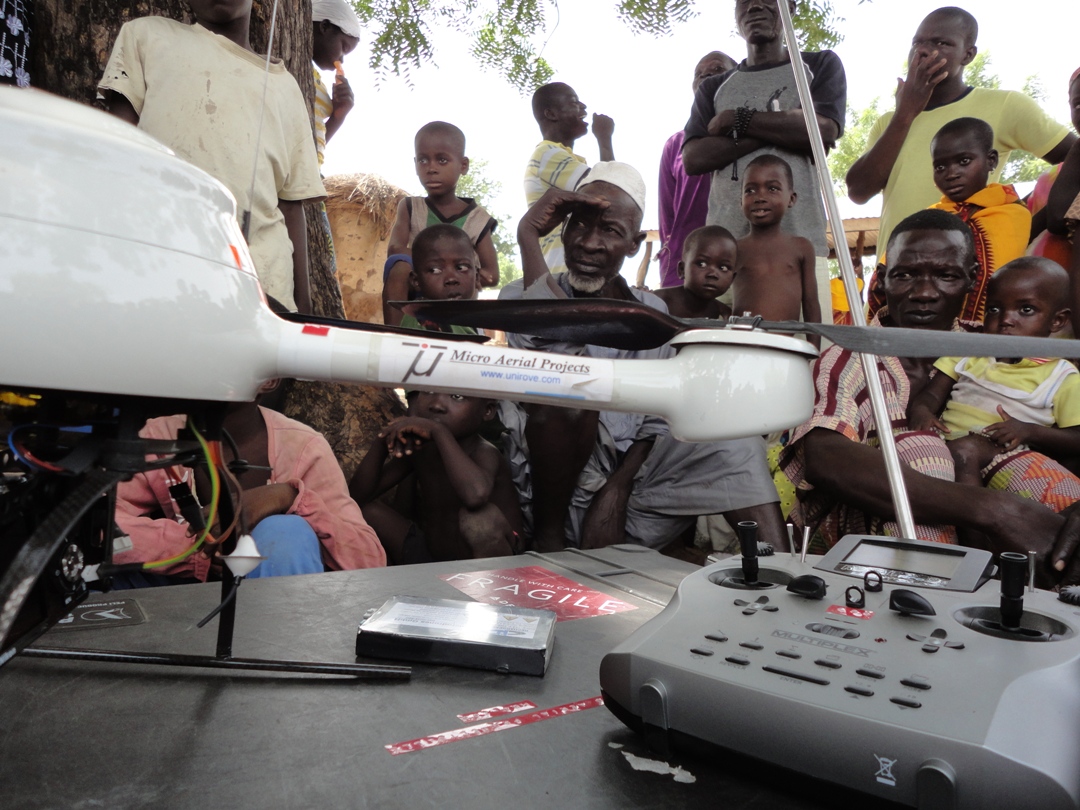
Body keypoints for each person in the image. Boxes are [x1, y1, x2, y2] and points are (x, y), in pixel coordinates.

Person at [780, 208, 1080, 586]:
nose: (924, 293)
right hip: (868, 532)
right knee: (922, 450)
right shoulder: (849, 357)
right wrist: (995, 511)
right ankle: (936, 600)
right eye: (905, 275)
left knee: (1031, 472)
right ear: (883, 279)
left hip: (1008, 521)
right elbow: (827, 459)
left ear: (973, 279)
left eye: (946, 275)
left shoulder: (1003, 344)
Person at [501, 161, 788, 553]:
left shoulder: (649, 311)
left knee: (737, 442)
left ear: (634, 245)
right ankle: (549, 542)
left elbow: (656, 419)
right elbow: (555, 363)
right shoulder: (520, 297)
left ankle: (782, 572)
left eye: (610, 231)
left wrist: (617, 489)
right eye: (580, 225)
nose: (589, 242)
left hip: (631, 489)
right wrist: (528, 235)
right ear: (563, 229)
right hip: (550, 494)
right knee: (568, 396)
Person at [98, 0, 325, 314]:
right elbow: (118, 153)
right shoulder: (146, 36)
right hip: (157, 270)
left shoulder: (286, 87)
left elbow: (291, 202)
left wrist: (304, 306)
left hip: (264, 290)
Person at [846, 7, 1075, 272]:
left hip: (967, 281)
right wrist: (905, 113)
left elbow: (1073, 157)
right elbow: (858, 192)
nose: (923, 51)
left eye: (940, 43)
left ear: (968, 54)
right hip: (898, 279)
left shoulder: (1006, 105)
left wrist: (1020, 213)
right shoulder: (890, 122)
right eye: (917, 43)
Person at [114, 381, 386, 585]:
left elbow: (368, 559)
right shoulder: (157, 436)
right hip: (188, 594)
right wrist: (200, 550)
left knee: (285, 531)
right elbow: (101, 525)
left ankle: (270, 659)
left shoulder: (304, 446)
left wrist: (288, 496)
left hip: (283, 610)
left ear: (268, 381)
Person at [682, 0, 843, 326]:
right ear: (736, 15)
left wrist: (736, 120)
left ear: (791, 7)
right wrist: (781, 127)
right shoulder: (714, 86)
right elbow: (695, 158)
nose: (755, 4)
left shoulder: (818, 65)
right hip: (723, 259)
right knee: (725, 366)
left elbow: (823, 129)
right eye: (745, 0)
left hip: (800, 254)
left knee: (805, 362)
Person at [907, 257, 1080, 512]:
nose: (1006, 320)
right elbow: (931, 395)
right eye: (994, 309)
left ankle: (974, 545)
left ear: (1057, 321)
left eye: (1026, 310)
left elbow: (1076, 438)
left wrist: (1028, 431)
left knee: (965, 451)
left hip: (1009, 453)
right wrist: (921, 411)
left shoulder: (1062, 377)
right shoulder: (969, 351)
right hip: (948, 443)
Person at [350, 390, 522, 563]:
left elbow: (475, 496)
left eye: (457, 396)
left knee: (479, 521)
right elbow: (358, 497)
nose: (436, 405)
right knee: (366, 511)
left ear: (487, 411)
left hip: (488, 562)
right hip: (432, 557)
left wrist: (438, 431)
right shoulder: (423, 450)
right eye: (429, 392)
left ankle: (490, 588)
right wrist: (382, 441)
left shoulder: (484, 451)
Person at [383, 121, 498, 326]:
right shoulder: (410, 207)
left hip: (456, 303)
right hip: (418, 295)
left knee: (461, 275)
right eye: (423, 160)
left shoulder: (477, 219)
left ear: (463, 166)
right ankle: (394, 335)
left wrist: (462, 271)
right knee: (399, 267)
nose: (431, 169)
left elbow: (492, 275)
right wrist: (433, 267)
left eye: (442, 160)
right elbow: (394, 249)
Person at [923, 117, 1031, 322]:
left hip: (993, 334)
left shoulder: (1012, 214)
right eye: (940, 167)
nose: (951, 174)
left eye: (964, 161)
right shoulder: (928, 218)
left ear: (991, 160)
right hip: (928, 329)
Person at [657, 51, 739, 289]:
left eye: (716, 71)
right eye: (699, 74)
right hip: (688, 268)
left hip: (743, 262)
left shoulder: (755, 131)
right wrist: (670, 262)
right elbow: (667, 217)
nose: (705, 78)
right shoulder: (676, 145)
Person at [524, 82, 615, 275]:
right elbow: (608, 193)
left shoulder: (567, 159)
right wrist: (604, 140)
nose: (583, 107)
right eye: (574, 102)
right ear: (551, 114)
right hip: (561, 272)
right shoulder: (547, 154)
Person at [732, 154, 820, 346]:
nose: (760, 197)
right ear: (740, 201)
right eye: (750, 190)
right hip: (741, 346)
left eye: (772, 188)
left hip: (786, 349)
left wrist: (814, 354)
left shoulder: (801, 247)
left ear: (791, 198)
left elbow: (811, 304)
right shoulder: (734, 248)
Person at [397, 224, 483, 334]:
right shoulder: (424, 319)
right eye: (435, 270)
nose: (451, 279)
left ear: (477, 276)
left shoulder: (469, 319)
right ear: (416, 281)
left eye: (461, 268)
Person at [311, 0, 361, 166]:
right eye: (344, 47)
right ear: (325, 27)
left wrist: (338, 116)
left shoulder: (313, 78)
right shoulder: (287, 67)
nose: (341, 59)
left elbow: (309, 147)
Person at [653, 225, 736, 320]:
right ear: (682, 269)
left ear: (732, 279)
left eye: (723, 267)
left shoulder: (723, 314)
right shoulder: (657, 302)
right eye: (702, 264)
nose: (712, 274)